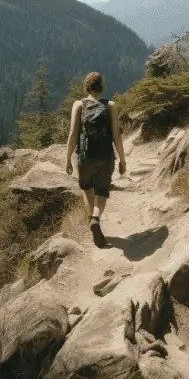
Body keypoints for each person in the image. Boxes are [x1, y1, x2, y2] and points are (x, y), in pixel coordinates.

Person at [65, 71, 126, 248]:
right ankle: (96, 219)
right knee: (101, 191)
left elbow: (73, 134)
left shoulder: (79, 105)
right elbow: (116, 136)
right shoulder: (110, 106)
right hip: (105, 156)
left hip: (85, 156)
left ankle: (92, 220)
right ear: (101, 87)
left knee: (86, 188)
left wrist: (67, 158)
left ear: (86, 87)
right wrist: (122, 160)